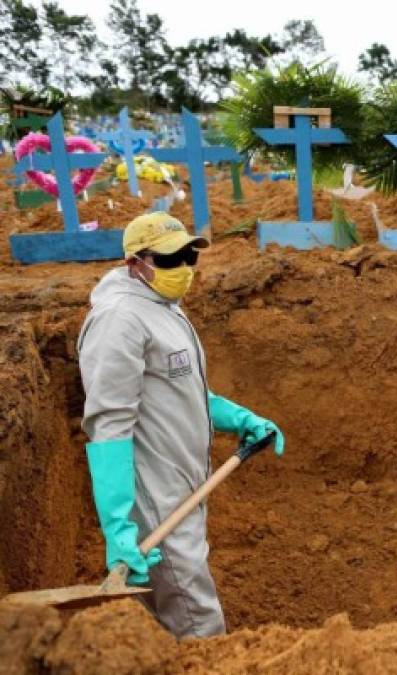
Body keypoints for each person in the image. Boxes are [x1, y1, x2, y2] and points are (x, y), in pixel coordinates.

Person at [78, 212, 284, 638]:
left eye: (189, 256)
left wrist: (239, 418)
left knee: (172, 615)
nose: (184, 269)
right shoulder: (121, 320)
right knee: (196, 619)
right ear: (137, 261)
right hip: (156, 497)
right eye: (170, 260)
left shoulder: (162, 307)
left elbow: (185, 392)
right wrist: (119, 528)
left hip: (183, 482)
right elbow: (109, 426)